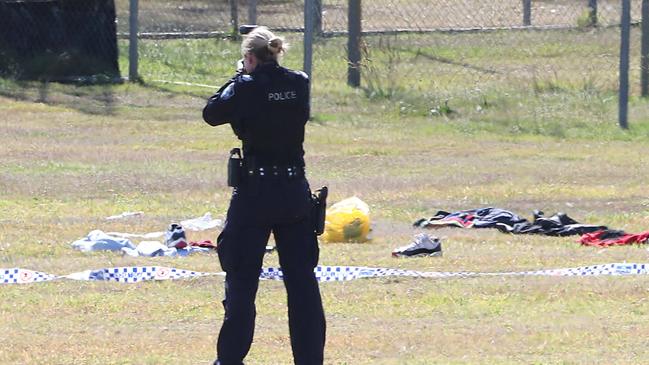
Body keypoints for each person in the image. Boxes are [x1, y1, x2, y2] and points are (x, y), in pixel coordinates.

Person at [202, 26, 326, 365]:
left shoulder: (245, 86)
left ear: (252, 58)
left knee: (242, 282)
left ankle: (229, 360)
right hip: (293, 192)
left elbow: (211, 113)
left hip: (255, 193)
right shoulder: (299, 82)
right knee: (303, 285)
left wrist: (238, 76)